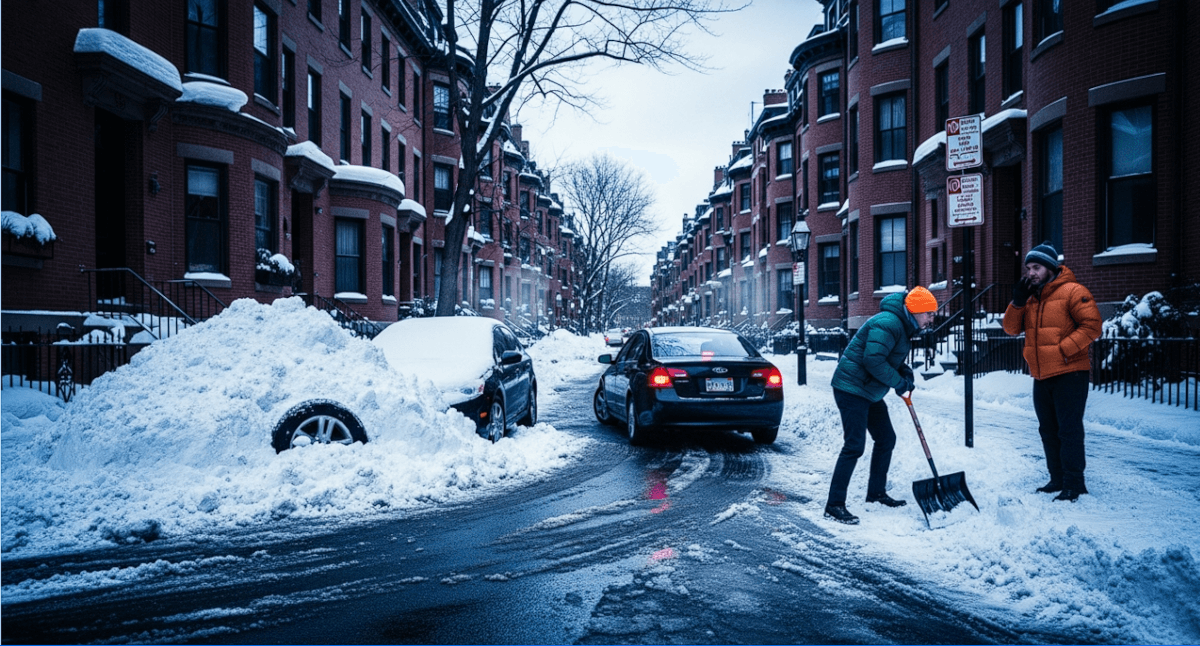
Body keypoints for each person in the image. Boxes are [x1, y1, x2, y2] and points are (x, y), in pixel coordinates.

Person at [824, 286, 938, 525]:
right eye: (929, 313)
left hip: (868, 390)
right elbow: (873, 360)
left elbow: (887, 357)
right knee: (854, 446)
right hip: (851, 389)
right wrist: (898, 382)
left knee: (886, 438)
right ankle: (834, 505)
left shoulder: (902, 325)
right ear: (916, 310)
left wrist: (904, 371)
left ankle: (876, 493)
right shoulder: (889, 322)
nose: (931, 318)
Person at [1002, 241, 1102, 502]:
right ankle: (1057, 479)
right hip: (1041, 374)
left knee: (1068, 430)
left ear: (1050, 267)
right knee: (1047, 429)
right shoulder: (1032, 298)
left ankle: (1074, 483)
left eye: (1036, 267)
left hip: (1071, 373)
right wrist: (1017, 302)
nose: (1031, 273)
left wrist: (1063, 350)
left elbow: (1092, 326)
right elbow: (1011, 329)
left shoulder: (1073, 291)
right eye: (1028, 268)